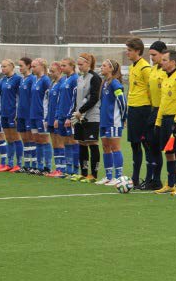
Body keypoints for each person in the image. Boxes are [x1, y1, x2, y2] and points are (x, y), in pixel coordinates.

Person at [154, 50, 176, 194]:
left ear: (173, 63)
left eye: (164, 60)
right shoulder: (165, 78)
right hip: (165, 120)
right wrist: (158, 121)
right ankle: (171, 184)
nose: (161, 62)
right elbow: (163, 102)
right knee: (168, 152)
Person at [125, 38, 153, 188]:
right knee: (134, 144)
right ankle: (135, 178)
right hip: (133, 108)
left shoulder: (145, 68)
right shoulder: (132, 67)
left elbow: (151, 90)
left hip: (143, 109)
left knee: (145, 144)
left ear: (137, 51)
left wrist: (150, 109)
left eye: (129, 50)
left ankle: (149, 179)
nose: (127, 53)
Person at [140, 41, 168, 190]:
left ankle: (157, 180)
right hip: (153, 110)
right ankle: (151, 178)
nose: (151, 58)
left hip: (162, 112)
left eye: (154, 55)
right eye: (150, 55)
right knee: (148, 143)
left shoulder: (166, 72)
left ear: (163, 54)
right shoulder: (153, 70)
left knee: (157, 147)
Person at [73, 53, 102, 182]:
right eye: (78, 64)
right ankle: (84, 173)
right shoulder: (80, 78)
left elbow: (94, 98)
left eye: (81, 64)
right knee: (81, 142)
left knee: (92, 143)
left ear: (89, 63)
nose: (79, 67)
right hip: (79, 116)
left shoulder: (95, 78)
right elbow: (78, 98)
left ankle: (94, 174)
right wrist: (76, 112)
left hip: (91, 115)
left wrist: (82, 110)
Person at [99, 59, 127, 185]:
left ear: (111, 68)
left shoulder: (115, 83)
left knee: (115, 147)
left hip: (113, 121)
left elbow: (122, 100)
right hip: (104, 121)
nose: (101, 67)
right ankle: (109, 176)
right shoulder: (104, 83)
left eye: (104, 66)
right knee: (105, 147)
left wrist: (123, 117)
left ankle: (118, 177)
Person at [54, 58, 80, 178]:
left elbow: (75, 100)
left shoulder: (75, 79)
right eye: (61, 65)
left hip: (70, 117)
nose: (62, 68)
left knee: (73, 140)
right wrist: (57, 116)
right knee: (66, 141)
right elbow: (59, 99)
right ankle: (68, 169)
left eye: (64, 66)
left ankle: (75, 169)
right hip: (61, 116)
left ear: (72, 66)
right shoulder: (63, 80)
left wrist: (70, 116)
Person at [29, 58, 53, 175]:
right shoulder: (34, 79)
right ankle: (39, 166)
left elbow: (48, 99)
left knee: (44, 139)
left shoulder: (46, 80)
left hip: (41, 115)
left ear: (42, 66)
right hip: (33, 114)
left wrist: (47, 116)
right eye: (32, 67)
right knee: (36, 140)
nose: (32, 69)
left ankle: (47, 167)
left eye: (34, 66)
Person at [0, 59, 23, 172]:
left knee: (16, 137)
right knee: (8, 138)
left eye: (5, 66)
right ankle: (9, 163)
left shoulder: (18, 79)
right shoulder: (3, 79)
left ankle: (18, 163)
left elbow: (20, 97)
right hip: (3, 112)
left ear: (11, 66)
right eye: (2, 66)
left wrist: (17, 113)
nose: (3, 68)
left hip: (13, 112)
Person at [17, 57, 36, 173]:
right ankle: (27, 164)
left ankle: (33, 164)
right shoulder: (21, 80)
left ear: (28, 66)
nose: (19, 68)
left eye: (21, 66)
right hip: (21, 113)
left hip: (29, 113)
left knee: (31, 139)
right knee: (25, 139)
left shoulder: (32, 79)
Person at [46, 62, 65, 177]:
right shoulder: (52, 83)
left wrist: (58, 117)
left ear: (60, 71)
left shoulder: (62, 83)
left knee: (60, 143)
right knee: (54, 143)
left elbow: (61, 102)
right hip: (50, 116)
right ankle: (58, 168)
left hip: (57, 117)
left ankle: (62, 169)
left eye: (53, 71)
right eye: (50, 71)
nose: (51, 74)